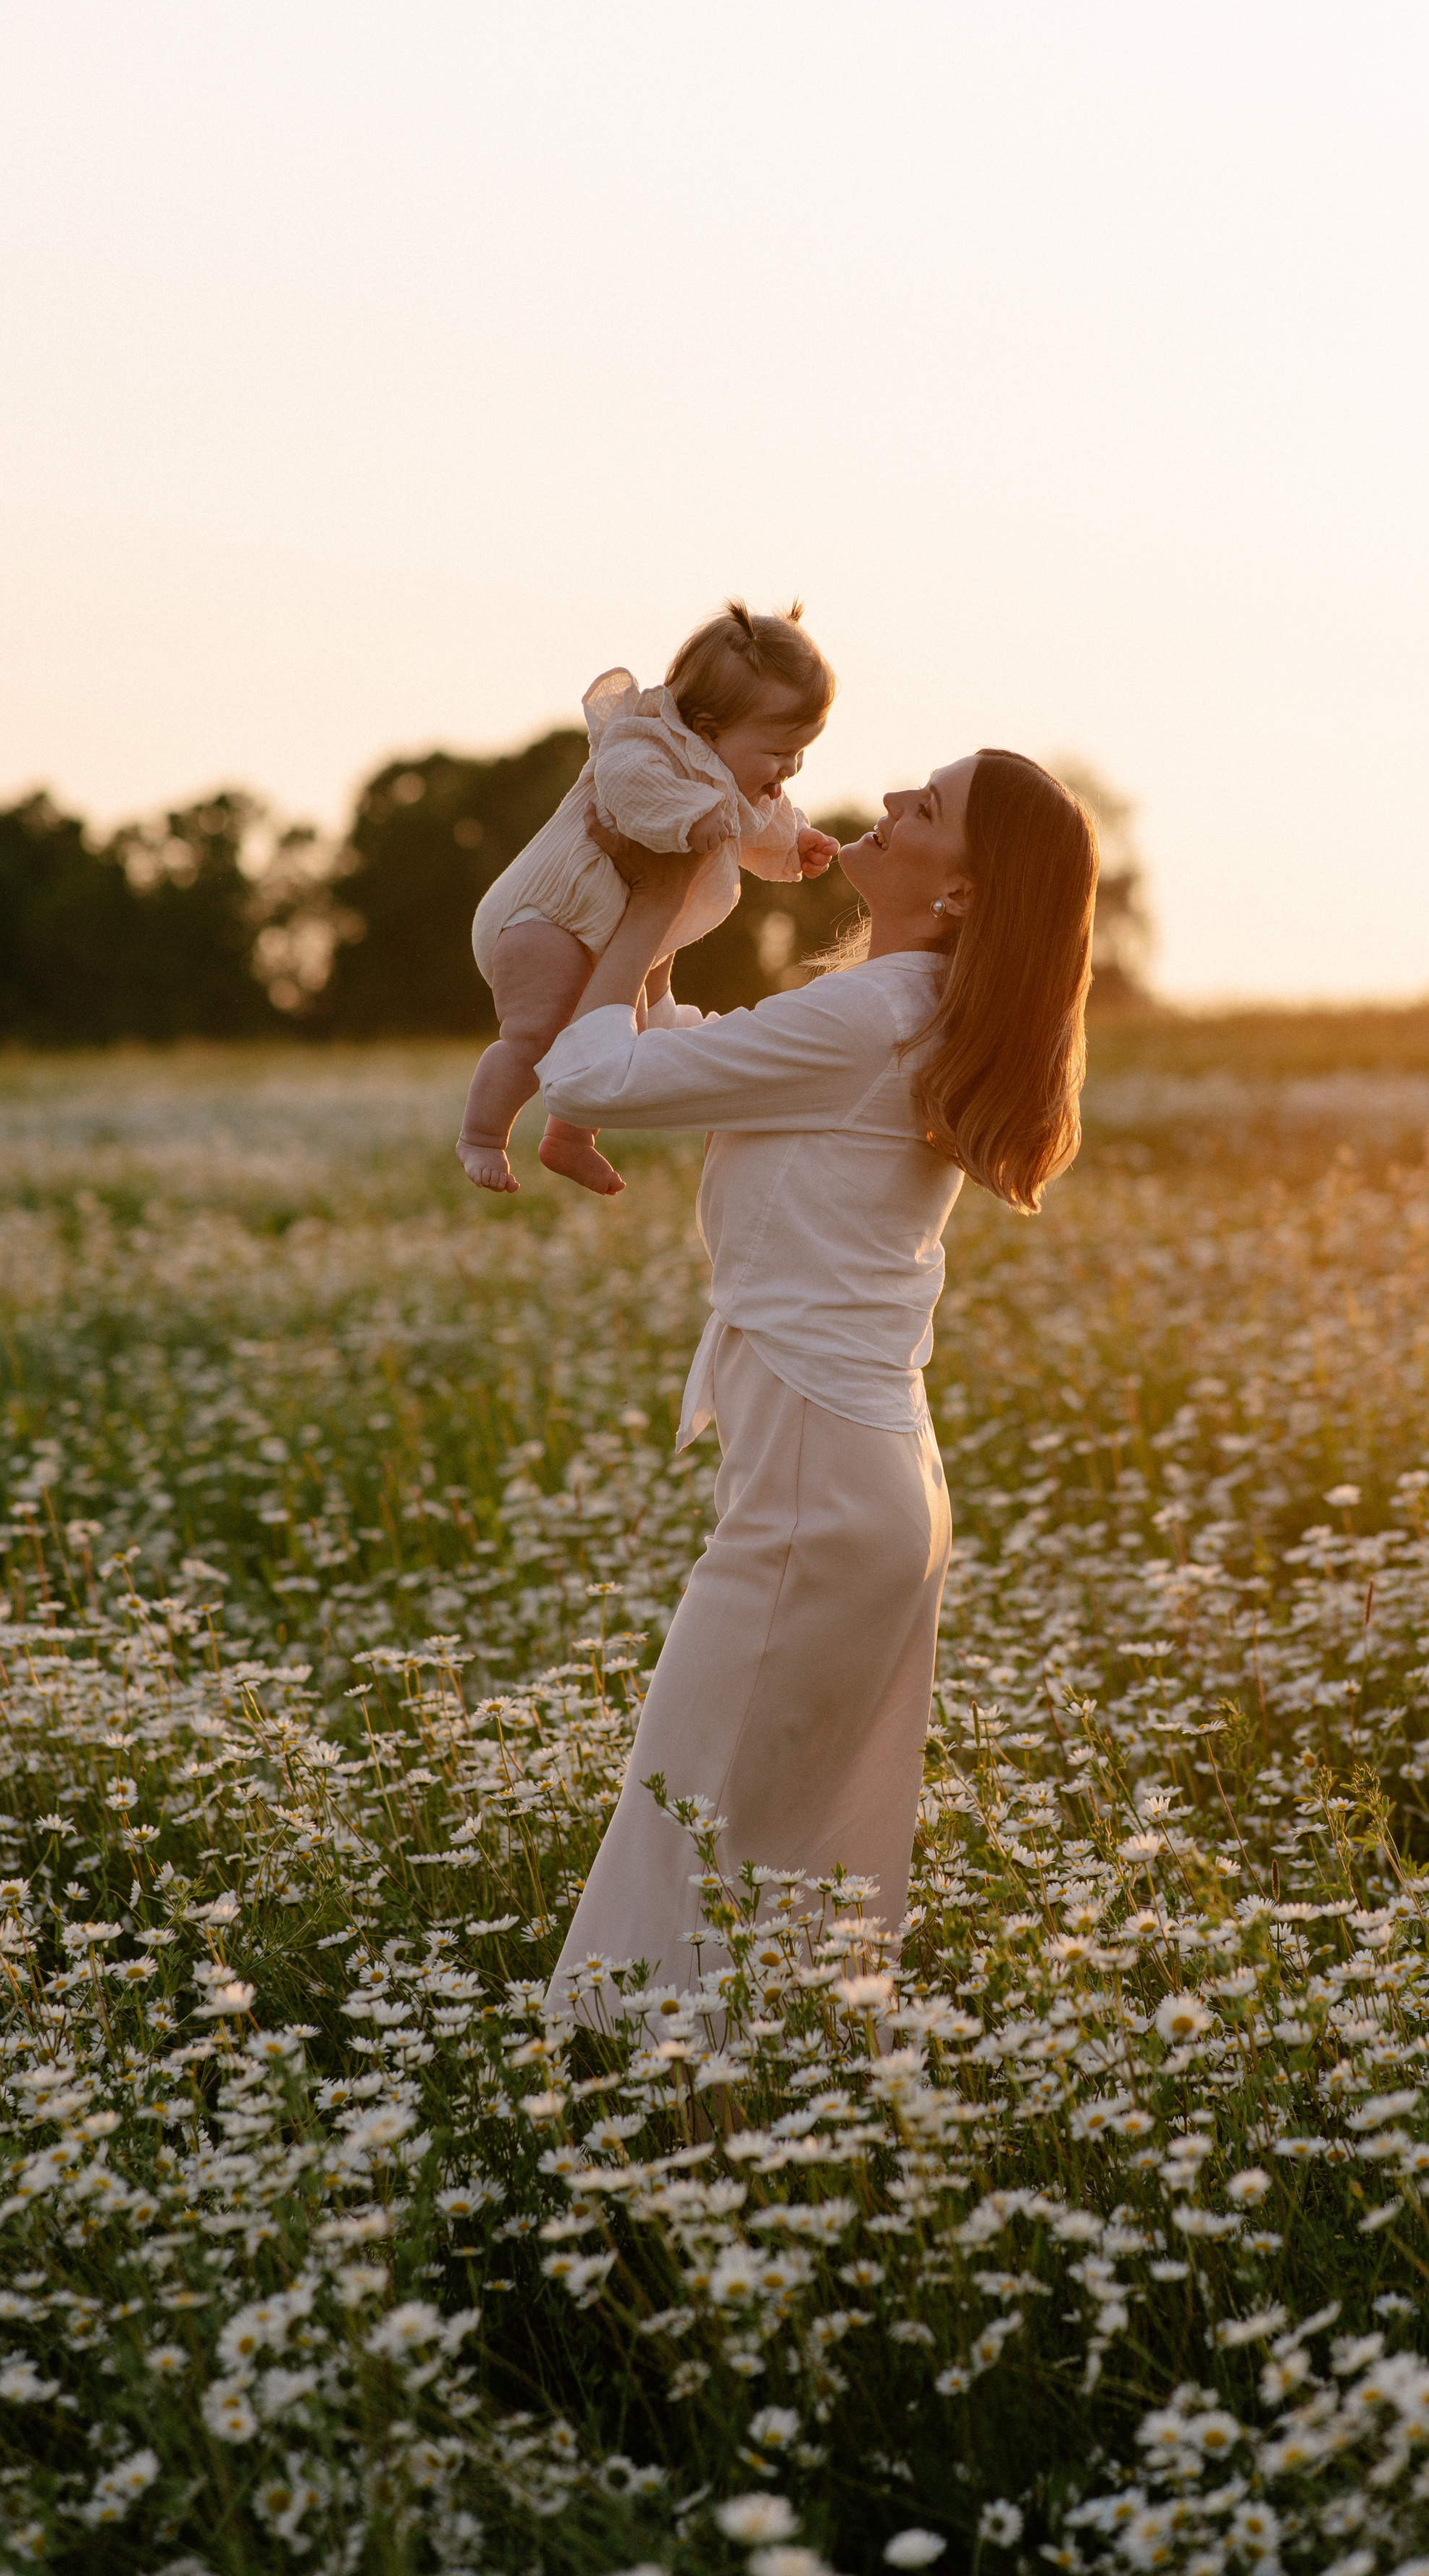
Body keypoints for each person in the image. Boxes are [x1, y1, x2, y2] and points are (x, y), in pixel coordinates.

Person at [540, 745, 1099, 2024]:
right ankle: (770, 2100)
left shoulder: (875, 1014)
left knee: (684, 1822)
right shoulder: (906, 1006)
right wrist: (667, 930)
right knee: (790, 1861)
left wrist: (652, 899)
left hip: (822, 1482)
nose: (890, 801)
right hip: (875, 1482)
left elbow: (584, 1077)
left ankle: (624, 2091)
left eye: (927, 807)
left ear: (960, 893)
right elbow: (689, 1051)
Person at [456, 601, 840, 1197]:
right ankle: (482, 1135)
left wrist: (795, 846)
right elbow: (628, 784)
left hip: (607, 933)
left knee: (615, 1037)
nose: (788, 769)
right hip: (545, 917)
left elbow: (764, 821)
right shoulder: (647, 741)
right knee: (540, 1033)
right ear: (709, 730)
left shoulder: (735, 783)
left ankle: (570, 1137)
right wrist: (690, 816)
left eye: (800, 753)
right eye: (777, 752)